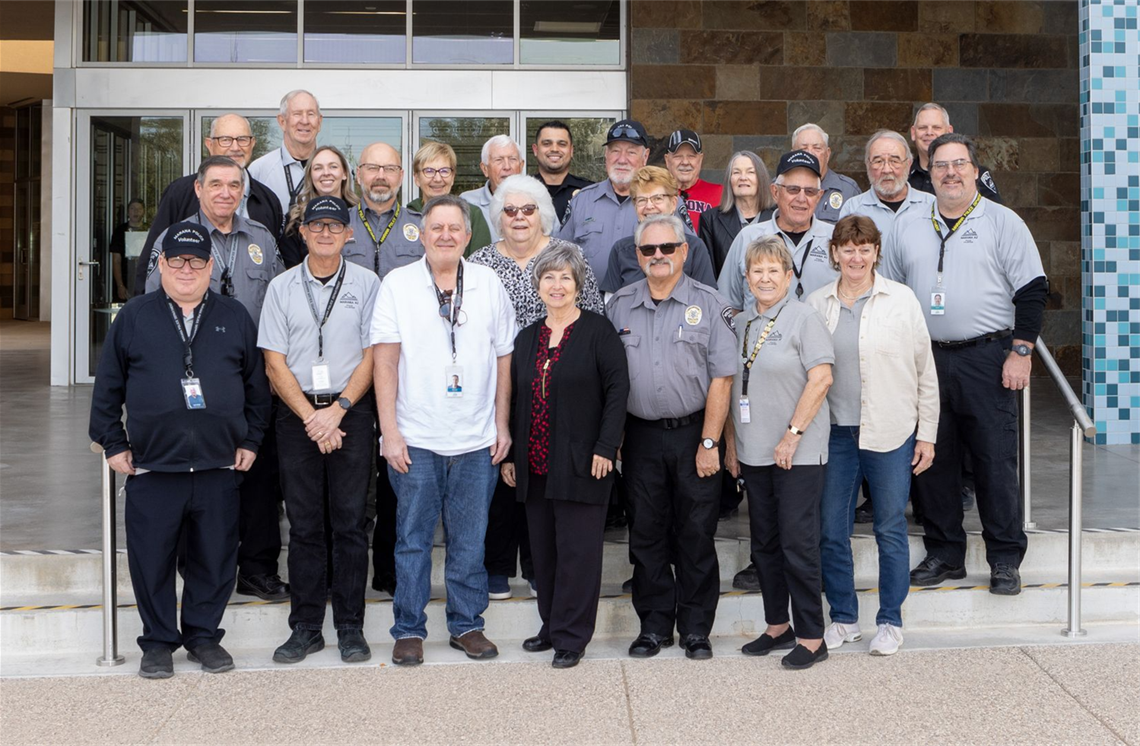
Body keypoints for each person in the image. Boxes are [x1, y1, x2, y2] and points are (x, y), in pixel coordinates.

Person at [89, 222, 271, 679]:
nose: (186, 269)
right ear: (161, 264)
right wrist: (113, 442)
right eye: (176, 260)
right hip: (154, 466)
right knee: (151, 560)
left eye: (196, 261)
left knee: (214, 558)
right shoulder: (134, 316)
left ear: (210, 266)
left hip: (218, 465)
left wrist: (251, 441)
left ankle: (203, 637)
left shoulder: (234, 315)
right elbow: (107, 387)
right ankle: (157, 643)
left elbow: (256, 389)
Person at [884, 132, 1047, 596]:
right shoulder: (909, 224)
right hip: (927, 359)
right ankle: (945, 553)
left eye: (959, 164)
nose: (950, 173)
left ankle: (1004, 558)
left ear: (975, 170)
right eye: (941, 166)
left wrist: (1021, 350)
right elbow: (891, 291)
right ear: (929, 172)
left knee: (994, 460)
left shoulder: (1002, 221)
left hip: (988, 358)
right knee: (933, 460)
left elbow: (1033, 289)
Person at [371, 195, 517, 666]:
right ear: (422, 232)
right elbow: (385, 362)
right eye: (437, 227)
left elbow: (504, 360)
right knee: (411, 539)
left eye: (455, 228)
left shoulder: (489, 283)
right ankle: (409, 629)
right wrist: (390, 432)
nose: (446, 235)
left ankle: (467, 625)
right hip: (417, 438)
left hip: (476, 441)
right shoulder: (397, 284)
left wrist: (502, 424)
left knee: (470, 540)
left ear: (468, 235)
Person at [144, 156, 287, 603]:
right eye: (216, 184)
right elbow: (152, 301)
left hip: (254, 374)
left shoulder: (261, 237)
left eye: (233, 184)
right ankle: (199, 569)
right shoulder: (175, 239)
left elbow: (281, 300)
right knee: (200, 477)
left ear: (243, 191)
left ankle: (258, 569)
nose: (226, 192)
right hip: (195, 378)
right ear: (199, 190)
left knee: (261, 475)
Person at [806, 215, 939, 657]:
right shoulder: (816, 302)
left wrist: (927, 435)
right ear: (835, 254)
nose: (856, 256)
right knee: (830, 529)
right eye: (848, 248)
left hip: (891, 430)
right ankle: (843, 618)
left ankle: (890, 621)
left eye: (864, 248)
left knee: (889, 528)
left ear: (876, 253)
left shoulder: (901, 300)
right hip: (834, 433)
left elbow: (925, 371)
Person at [468, 174, 605, 600]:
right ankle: (496, 565)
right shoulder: (481, 262)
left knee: (543, 479)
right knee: (504, 470)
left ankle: (536, 565)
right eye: (510, 211)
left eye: (528, 209)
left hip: (562, 382)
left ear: (543, 212)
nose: (520, 218)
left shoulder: (569, 255)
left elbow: (594, 314)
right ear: (499, 217)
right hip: (501, 381)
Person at [607, 214, 736, 661]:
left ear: (683, 251)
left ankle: (696, 629)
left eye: (666, 248)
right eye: (648, 250)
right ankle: (654, 626)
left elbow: (722, 379)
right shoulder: (619, 305)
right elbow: (612, 380)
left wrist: (709, 443)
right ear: (638, 256)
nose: (658, 256)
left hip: (694, 435)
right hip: (640, 437)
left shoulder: (712, 303)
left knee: (696, 534)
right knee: (646, 534)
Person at [259, 196, 380, 665]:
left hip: (352, 412)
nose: (326, 233)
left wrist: (340, 409)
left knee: (351, 524)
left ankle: (350, 626)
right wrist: (312, 416)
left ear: (350, 234)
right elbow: (274, 360)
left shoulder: (369, 284)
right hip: (298, 415)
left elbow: (374, 354)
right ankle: (306, 627)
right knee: (306, 525)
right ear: (303, 233)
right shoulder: (282, 287)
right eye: (317, 226)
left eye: (335, 226)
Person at [502, 242, 629, 668]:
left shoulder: (598, 331)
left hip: (583, 463)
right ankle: (552, 625)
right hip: (534, 465)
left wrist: (606, 446)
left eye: (565, 278)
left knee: (578, 553)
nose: (557, 285)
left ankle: (572, 637)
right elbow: (516, 399)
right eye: (549, 277)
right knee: (544, 553)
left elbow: (617, 392)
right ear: (538, 284)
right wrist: (510, 458)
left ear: (578, 285)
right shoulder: (527, 337)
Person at [723, 235, 834, 670]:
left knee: (797, 544)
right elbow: (730, 387)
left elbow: (821, 379)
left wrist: (792, 434)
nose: (765, 278)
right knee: (764, 544)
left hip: (798, 453)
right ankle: (776, 626)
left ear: (789, 277)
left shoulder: (805, 319)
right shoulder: (741, 323)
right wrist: (732, 443)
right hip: (754, 451)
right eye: (757, 271)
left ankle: (811, 635)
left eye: (774, 270)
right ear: (747, 279)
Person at [136, 113, 282, 295]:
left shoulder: (268, 200)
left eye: (242, 139)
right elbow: (152, 267)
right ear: (209, 144)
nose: (235, 147)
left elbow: (278, 279)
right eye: (225, 140)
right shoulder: (179, 193)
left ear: (252, 144)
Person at [718, 150, 837, 312]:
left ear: (819, 196)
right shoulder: (748, 238)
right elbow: (727, 305)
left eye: (810, 191)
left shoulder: (836, 239)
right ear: (775, 192)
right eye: (793, 189)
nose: (801, 198)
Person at [557, 119, 653, 286]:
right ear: (606, 156)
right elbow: (559, 256)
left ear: (645, 157)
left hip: (645, 307)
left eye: (631, 152)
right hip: (589, 306)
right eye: (615, 151)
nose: (622, 160)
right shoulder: (581, 201)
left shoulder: (663, 202)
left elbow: (686, 255)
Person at [600, 166, 717, 293]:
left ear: (673, 203)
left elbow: (707, 300)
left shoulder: (694, 248)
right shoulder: (621, 250)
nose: (649, 206)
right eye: (642, 200)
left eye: (657, 198)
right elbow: (611, 304)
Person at [345, 141, 424, 279]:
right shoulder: (341, 224)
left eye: (389, 169)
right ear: (358, 175)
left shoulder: (422, 225)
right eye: (372, 168)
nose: (381, 176)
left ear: (401, 176)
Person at [277, 145, 361, 268]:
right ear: (310, 176)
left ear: (344, 174)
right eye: (318, 168)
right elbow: (292, 272)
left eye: (333, 167)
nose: (326, 173)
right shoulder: (295, 221)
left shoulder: (360, 214)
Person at [698, 151, 776, 279]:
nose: (743, 177)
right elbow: (708, 275)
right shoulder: (710, 220)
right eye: (736, 172)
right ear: (730, 180)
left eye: (750, 172)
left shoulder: (777, 217)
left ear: (761, 178)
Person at [408, 140, 493, 254]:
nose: (437, 179)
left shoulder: (472, 215)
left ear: (453, 177)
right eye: (429, 171)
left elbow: (480, 264)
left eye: (444, 171)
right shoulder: (407, 216)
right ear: (417, 178)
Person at [248, 89, 323, 213]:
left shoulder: (337, 168)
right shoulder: (259, 170)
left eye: (310, 114)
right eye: (297, 114)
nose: (305, 121)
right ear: (282, 122)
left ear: (319, 122)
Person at [908, 103, 1001, 203]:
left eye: (936, 127)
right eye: (923, 128)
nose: (929, 132)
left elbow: (994, 213)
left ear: (949, 131)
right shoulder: (904, 174)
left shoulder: (973, 172)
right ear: (913, 133)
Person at [461, 134, 524, 243]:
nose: (507, 167)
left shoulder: (538, 200)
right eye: (499, 160)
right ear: (485, 169)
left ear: (521, 166)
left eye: (512, 159)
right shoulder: (467, 202)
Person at [792, 123, 860, 223]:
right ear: (792, 154)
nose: (810, 154)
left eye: (817, 148)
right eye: (803, 149)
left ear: (827, 154)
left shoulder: (848, 190)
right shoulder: (780, 187)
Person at [531, 120, 591, 224]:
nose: (554, 149)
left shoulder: (589, 192)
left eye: (562, 144)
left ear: (571, 150)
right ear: (535, 150)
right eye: (547, 143)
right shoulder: (521, 190)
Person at [663, 129, 722, 233]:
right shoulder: (656, 195)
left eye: (691, 156)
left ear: (700, 159)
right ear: (667, 160)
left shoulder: (721, 194)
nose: (685, 162)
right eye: (678, 156)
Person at [110, 199, 146, 300]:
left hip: (144, 279)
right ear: (128, 211)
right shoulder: (120, 231)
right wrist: (120, 285)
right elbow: (116, 260)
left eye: (139, 209)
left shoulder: (149, 230)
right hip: (125, 279)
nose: (136, 211)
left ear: (143, 211)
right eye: (132, 208)